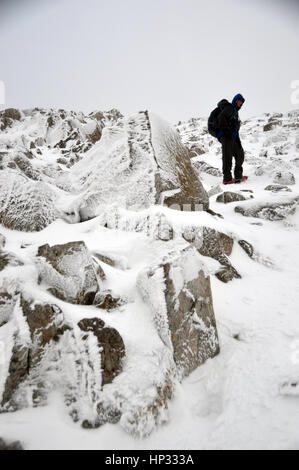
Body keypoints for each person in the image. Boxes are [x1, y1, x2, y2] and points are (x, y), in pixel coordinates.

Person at [211, 93, 247, 184]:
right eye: (239, 101)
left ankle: (238, 175)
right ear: (235, 101)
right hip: (225, 135)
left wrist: (238, 142)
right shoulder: (230, 108)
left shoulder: (235, 113)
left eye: (242, 103)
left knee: (240, 154)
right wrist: (226, 131)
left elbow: (235, 129)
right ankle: (227, 178)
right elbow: (221, 117)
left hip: (231, 136)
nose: (241, 104)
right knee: (227, 155)